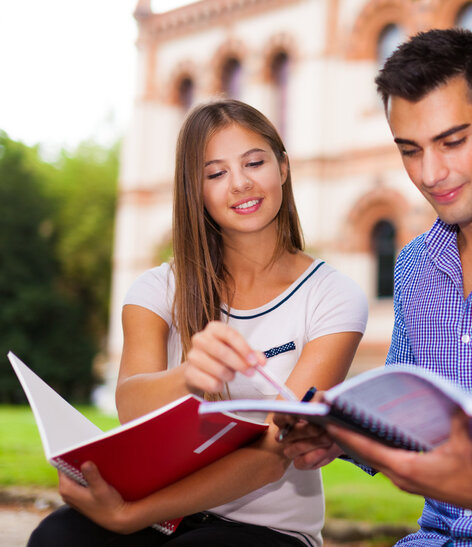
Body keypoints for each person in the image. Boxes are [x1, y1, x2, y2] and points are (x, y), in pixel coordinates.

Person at [271, 28, 472, 545]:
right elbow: (408, 420)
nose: (431, 174)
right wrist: (339, 434)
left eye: (452, 141)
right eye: (410, 150)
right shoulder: (415, 266)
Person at [27, 99, 368, 547]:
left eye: (254, 162)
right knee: (58, 538)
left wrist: (132, 516)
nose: (241, 183)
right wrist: (188, 376)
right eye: (216, 173)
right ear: (196, 190)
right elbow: (131, 408)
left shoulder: (333, 296)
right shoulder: (155, 290)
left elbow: (273, 455)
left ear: (283, 168)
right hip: (159, 515)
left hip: (267, 531)